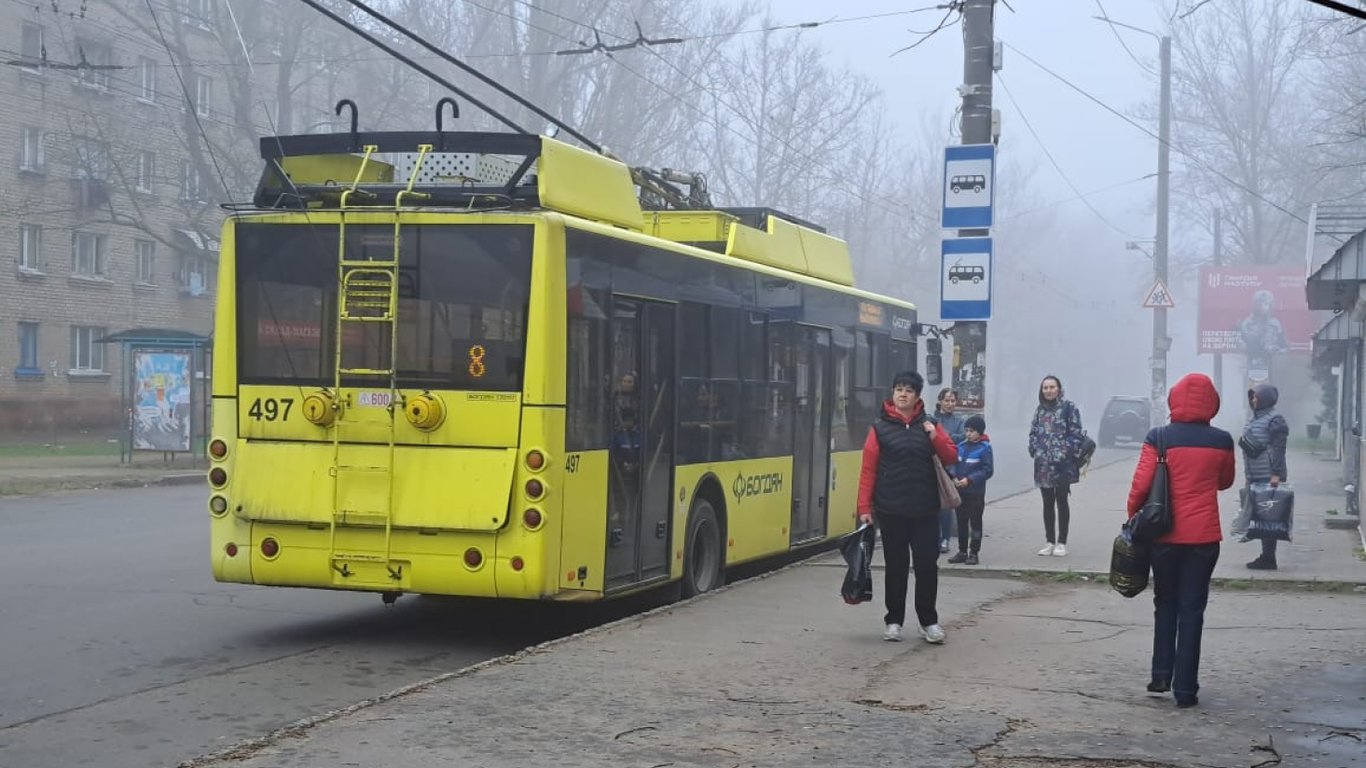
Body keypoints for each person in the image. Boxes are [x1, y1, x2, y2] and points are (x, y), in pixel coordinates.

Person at [1126, 373, 1235, 709]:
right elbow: (1225, 483)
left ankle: (1161, 674)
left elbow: (1141, 486)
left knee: (1165, 603)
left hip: (1165, 536)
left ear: (1174, 399)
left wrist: (1133, 520)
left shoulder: (1158, 437)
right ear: (1212, 403)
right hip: (1204, 538)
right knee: (1192, 610)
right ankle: (1186, 690)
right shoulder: (1222, 440)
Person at [856, 370, 959, 645]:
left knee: (927, 566)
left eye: (908, 390)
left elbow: (951, 455)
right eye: (898, 389)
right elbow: (868, 470)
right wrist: (864, 507)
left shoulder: (930, 424)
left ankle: (929, 622)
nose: (902, 394)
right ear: (892, 394)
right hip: (891, 510)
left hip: (925, 510)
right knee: (896, 567)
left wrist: (934, 436)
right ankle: (894, 621)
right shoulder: (879, 428)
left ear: (917, 397)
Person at [1028, 375, 1086, 557]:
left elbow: (1076, 434)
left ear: (1059, 389)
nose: (1049, 390)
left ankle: (1062, 542)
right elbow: (1033, 432)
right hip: (1043, 464)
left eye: (1052, 387)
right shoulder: (1039, 410)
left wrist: (1063, 453)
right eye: (1045, 387)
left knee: (1062, 501)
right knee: (1047, 503)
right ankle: (1049, 541)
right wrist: (1034, 450)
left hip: (1062, 465)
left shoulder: (1069, 408)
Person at [1234, 384, 1290, 569]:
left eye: (1257, 397)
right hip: (1255, 474)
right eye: (1252, 397)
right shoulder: (1253, 420)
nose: (1253, 400)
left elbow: (1278, 449)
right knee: (1260, 516)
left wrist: (1276, 474)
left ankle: (1268, 557)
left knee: (1268, 517)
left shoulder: (1275, 420)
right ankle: (1266, 555)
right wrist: (1248, 475)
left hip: (1268, 475)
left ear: (1266, 399)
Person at [947, 415, 993, 565]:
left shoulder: (985, 448)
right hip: (961, 491)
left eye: (972, 431)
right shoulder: (961, 446)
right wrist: (953, 476)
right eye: (966, 430)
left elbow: (987, 470)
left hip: (975, 492)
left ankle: (974, 552)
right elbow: (954, 463)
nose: (968, 434)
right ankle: (962, 551)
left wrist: (970, 479)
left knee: (975, 523)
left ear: (979, 432)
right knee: (961, 521)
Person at [932, 388, 967, 553]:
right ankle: (933, 537)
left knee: (946, 504)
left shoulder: (959, 421)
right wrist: (948, 437)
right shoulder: (931, 418)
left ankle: (945, 538)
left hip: (949, 467)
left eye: (953, 401)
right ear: (940, 401)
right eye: (947, 400)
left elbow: (962, 438)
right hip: (931, 463)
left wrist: (940, 437)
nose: (950, 404)